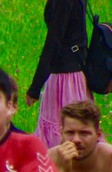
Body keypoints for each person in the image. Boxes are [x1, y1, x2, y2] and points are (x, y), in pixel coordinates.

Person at [27, 0, 91, 149]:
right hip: (77, 75)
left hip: (65, 79)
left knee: (65, 138)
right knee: (80, 134)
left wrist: (35, 87)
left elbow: (54, 41)